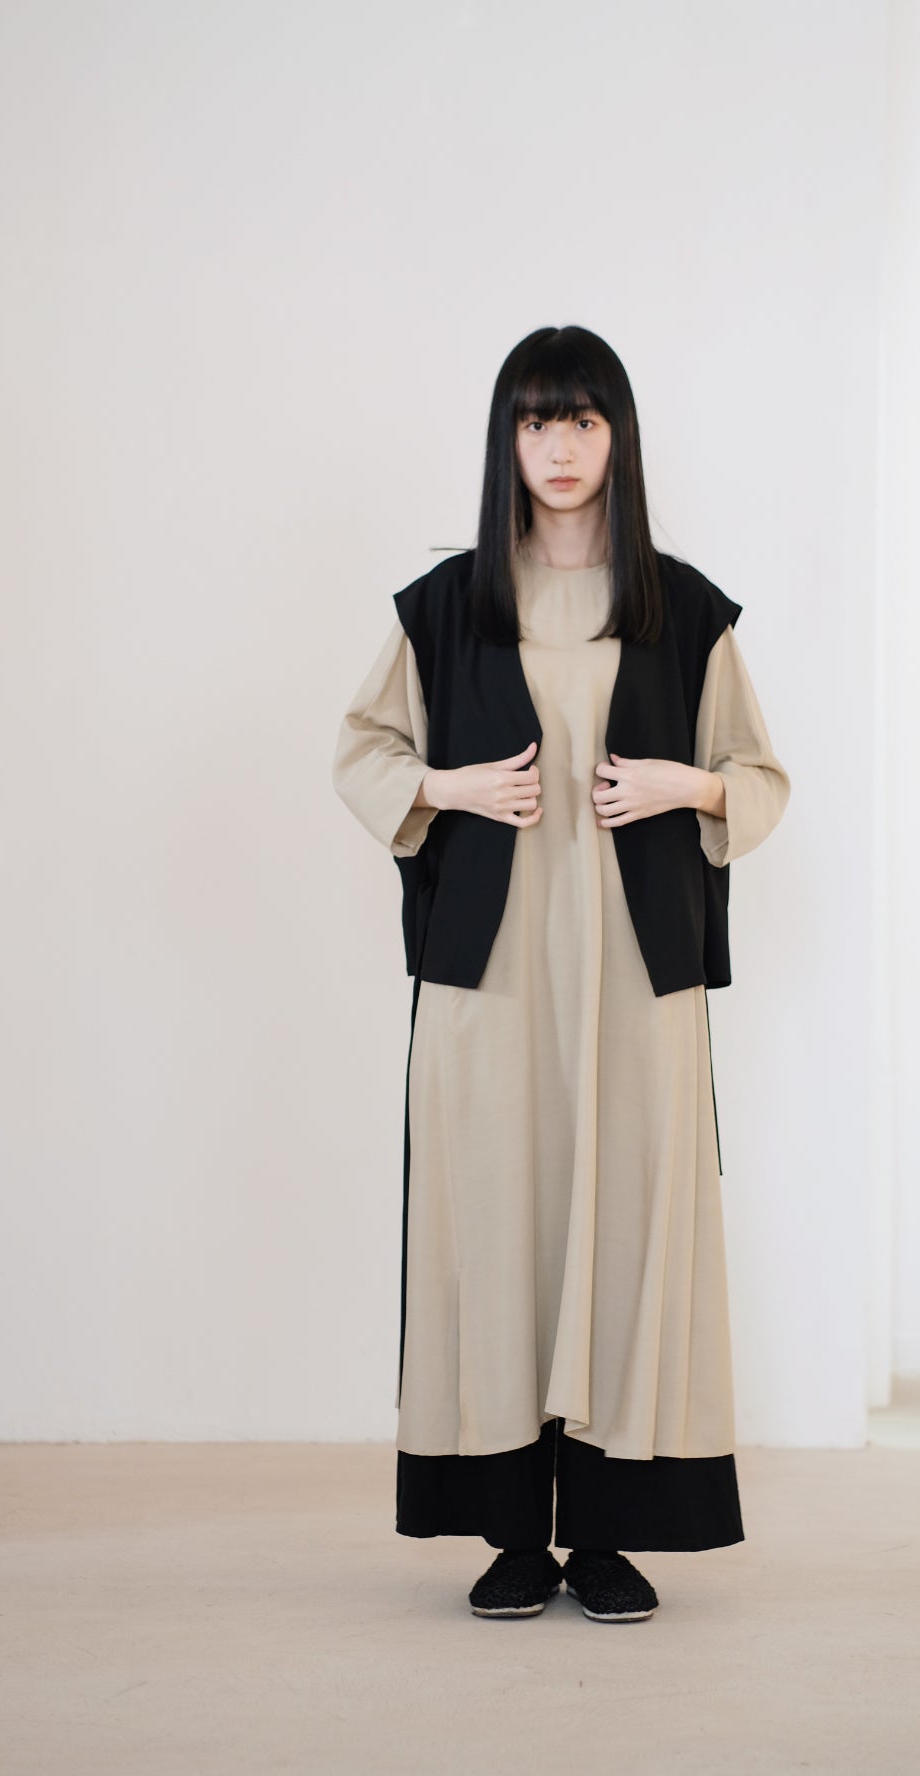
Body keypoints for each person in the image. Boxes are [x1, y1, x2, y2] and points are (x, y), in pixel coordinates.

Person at [332, 324, 791, 1624]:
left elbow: (760, 778)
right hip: (488, 990)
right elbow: (363, 753)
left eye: (584, 419)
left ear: (618, 438)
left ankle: (605, 1532)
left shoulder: (684, 611)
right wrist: (451, 787)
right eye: (538, 421)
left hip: (638, 988)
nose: (561, 446)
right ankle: (509, 1534)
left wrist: (688, 784)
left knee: (631, 1230)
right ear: (508, 441)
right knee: (494, 1228)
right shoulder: (446, 608)